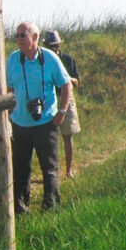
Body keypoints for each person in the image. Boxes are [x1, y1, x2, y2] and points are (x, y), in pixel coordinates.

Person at [7, 21, 72, 213]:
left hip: (46, 122)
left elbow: (66, 84)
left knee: (49, 167)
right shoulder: (12, 59)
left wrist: (62, 111)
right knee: (20, 168)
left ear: (35, 37)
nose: (19, 39)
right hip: (20, 123)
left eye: (23, 35)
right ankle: (20, 208)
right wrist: (10, 113)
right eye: (17, 35)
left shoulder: (50, 58)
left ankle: (51, 205)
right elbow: (9, 88)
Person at [43, 30, 82, 179]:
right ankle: (51, 171)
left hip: (66, 98)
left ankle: (68, 170)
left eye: (55, 45)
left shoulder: (67, 59)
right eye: (49, 46)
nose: (53, 48)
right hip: (49, 99)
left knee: (67, 136)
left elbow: (77, 82)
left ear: (59, 45)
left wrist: (66, 78)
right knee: (46, 138)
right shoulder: (43, 60)